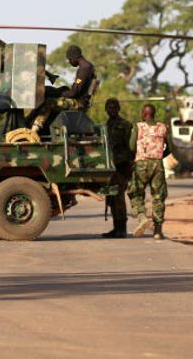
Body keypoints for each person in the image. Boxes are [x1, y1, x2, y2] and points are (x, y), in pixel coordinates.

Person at [28, 45, 96, 132]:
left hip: (79, 103)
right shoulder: (87, 66)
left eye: (69, 60)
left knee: (50, 102)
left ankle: (33, 130)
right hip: (80, 101)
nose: (69, 62)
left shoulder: (84, 68)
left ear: (74, 58)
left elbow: (73, 93)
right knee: (61, 91)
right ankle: (43, 128)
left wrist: (56, 93)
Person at [128, 103, 169, 239]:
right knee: (158, 197)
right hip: (158, 164)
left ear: (144, 114)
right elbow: (171, 148)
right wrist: (159, 155)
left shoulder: (138, 126)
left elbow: (132, 146)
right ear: (153, 114)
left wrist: (137, 155)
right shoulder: (162, 127)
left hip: (141, 163)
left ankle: (142, 217)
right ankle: (157, 231)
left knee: (135, 193)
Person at [101, 98, 134, 238]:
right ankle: (116, 228)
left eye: (114, 107)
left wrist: (130, 165)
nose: (111, 110)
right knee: (111, 197)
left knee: (119, 197)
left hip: (121, 166)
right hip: (109, 167)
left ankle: (122, 228)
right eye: (109, 107)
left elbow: (132, 146)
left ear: (118, 108)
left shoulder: (125, 125)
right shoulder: (106, 126)